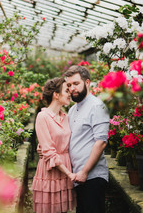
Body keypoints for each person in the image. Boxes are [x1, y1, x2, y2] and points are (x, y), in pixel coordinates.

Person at [64, 65, 110, 213]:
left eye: (76, 83)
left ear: (87, 82)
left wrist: (84, 171)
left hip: (92, 177)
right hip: (78, 177)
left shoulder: (97, 106)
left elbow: (101, 142)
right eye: (69, 85)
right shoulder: (72, 109)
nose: (72, 88)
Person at [32, 77, 76, 213]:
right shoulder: (43, 117)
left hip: (64, 171)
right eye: (66, 90)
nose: (70, 93)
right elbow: (49, 150)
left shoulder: (66, 117)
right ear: (56, 95)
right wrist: (70, 173)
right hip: (51, 172)